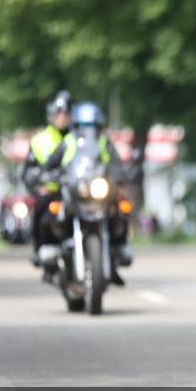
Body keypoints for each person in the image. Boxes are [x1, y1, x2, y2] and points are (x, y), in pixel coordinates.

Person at [40, 102, 130, 285]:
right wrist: (48, 174)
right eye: (84, 126)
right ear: (76, 126)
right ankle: (51, 251)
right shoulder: (68, 142)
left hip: (98, 191)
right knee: (52, 210)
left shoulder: (104, 143)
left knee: (122, 209)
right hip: (75, 191)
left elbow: (116, 164)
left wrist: (120, 175)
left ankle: (119, 250)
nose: (89, 130)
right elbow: (51, 163)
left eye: (92, 126)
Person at [22, 90, 72, 267]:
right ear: (52, 115)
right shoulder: (40, 140)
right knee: (41, 207)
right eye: (60, 114)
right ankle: (39, 248)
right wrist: (39, 185)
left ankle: (113, 251)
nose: (63, 118)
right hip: (52, 190)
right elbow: (28, 171)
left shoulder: (80, 137)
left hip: (77, 188)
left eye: (67, 113)